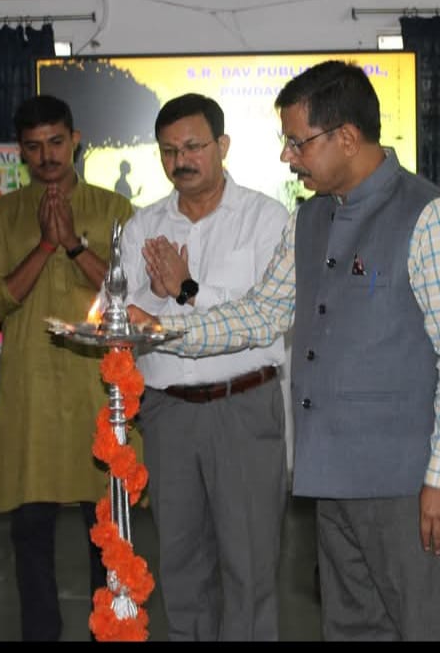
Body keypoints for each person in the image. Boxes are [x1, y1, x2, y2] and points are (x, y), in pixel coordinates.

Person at [130, 62, 440, 641]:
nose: (287, 157)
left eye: (298, 143)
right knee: (350, 628)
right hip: (332, 479)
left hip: (408, 486)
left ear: (345, 137)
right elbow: (263, 312)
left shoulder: (430, 219)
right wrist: (163, 329)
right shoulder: (310, 218)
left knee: (428, 628)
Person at [120, 93, 289, 641]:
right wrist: (153, 298)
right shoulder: (143, 226)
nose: (181, 161)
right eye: (169, 151)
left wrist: (187, 289)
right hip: (168, 413)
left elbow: (266, 316)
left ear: (223, 146)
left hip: (242, 408)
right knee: (181, 564)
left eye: (193, 146)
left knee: (249, 565)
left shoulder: (266, 219)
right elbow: (119, 311)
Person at [0, 95, 133, 641]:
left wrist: (72, 245)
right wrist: (45, 245)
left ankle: (106, 633)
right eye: (33, 146)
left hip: (97, 389)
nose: (46, 156)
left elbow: (127, 295)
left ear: (76, 140)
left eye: (56, 143)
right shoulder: (1, 214)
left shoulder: (114, 209)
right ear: (20, 150)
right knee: (30, 531)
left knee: (106, 531)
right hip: (31, 391)